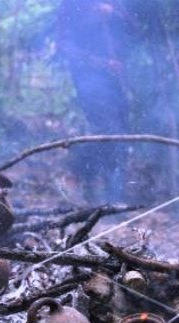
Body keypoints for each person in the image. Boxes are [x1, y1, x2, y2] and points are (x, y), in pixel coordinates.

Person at [56, 0, 132, 204]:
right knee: (108, 131)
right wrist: (101, 63)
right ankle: (80, 177)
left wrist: (112, 13)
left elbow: (130, 24)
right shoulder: (71, 5)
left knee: (120, 132)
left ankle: (104, 191)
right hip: (90, 79)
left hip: (117, 78)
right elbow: (64, 45)